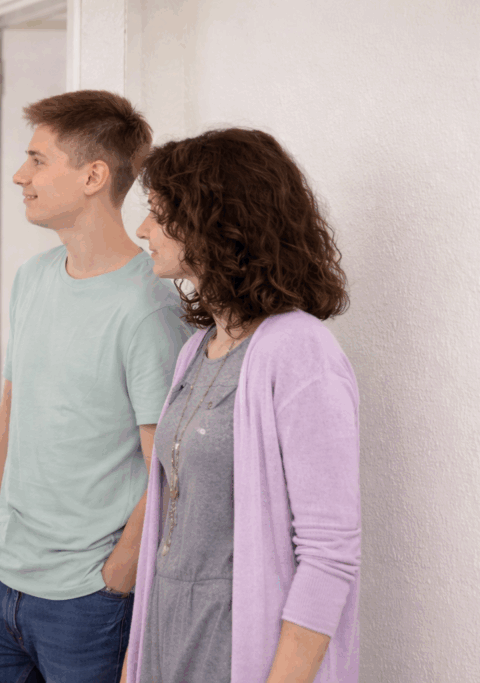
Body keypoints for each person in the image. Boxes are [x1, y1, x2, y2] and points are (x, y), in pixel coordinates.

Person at [0, 90, 192, 683]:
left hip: (87, 600)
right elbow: (11, 414)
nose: (20, 175)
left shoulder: (149, 308)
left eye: (37, 160)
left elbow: (167, 466)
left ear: (93, 176)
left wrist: (117, 576)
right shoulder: (32, 278)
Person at [127, 127, 361, 683]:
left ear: (214, 222)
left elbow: (329, 554)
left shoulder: (300, 350)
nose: (142, 230)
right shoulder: (197, 350)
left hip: (238, 649)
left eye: (159, 214)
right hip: (168, 635)